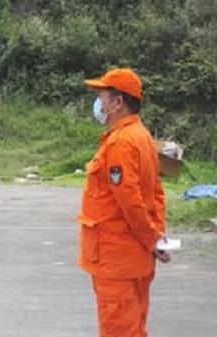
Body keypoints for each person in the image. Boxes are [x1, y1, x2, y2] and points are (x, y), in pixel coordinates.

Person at [80, 68, 168, 337]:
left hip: (116, 258)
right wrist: (156, 238)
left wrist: (153, 240)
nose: (98, 103)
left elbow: (131, 202)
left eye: (102, 96)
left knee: (119, 331)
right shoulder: (143, 137)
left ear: (118, 103)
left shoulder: (121, 142)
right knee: (134, 328)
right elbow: (156, 195)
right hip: (134, 258)